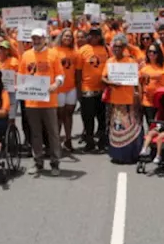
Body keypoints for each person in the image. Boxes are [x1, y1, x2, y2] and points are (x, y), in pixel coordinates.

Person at [21, 28, 66, 172]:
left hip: (49, 101)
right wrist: (18, 86)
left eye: (39, 38)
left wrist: (56, 84)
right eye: (34, 38)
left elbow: (60, 75)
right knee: (35, 133)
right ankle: (38, 162)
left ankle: (55, 163)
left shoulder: (53, 54)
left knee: (52, 133)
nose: (36, 41)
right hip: (31, 102)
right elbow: (22, 75)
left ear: (44, 39)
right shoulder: (26, 55)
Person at [102, 33, 143, 165]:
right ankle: (117, 155)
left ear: (124, 47)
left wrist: (138, 96)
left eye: (120, 47)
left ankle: (131, 155)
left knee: (131, 127)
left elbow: (136, 81)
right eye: (115, 47)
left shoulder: (131, 62)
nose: (117, 49)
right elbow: (103, 77)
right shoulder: (109, 61)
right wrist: (110, 82)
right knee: (117, 128)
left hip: (129, 100)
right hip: (115, 101)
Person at [77, 27, 110, 152]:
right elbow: (78, 71)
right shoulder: (82, 50)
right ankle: (89, 142)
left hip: (102, 89)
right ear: (88, 36)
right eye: (92, 35)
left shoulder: (106, 49)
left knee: (102, 118)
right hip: (87, 89)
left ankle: (102, 142)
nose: (94, 38)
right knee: (88, 118)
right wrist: (79, 89)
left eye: (97, 35)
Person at [53, 29, 81, 152]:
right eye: (66, 36)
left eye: (70, 36)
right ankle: (56, 141)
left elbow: (78, 71)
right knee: (59, 115)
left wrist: (78, 87)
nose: (68, 38)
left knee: (69, 114)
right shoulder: (54, 51)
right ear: (61, 37)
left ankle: (68, 140)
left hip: (71, 87)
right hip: (59, 88)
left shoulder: (75, 52)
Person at [138, 43, 164, 126]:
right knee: (151, 125)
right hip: (147, 102)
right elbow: (139, 84)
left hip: (161, 101)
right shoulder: (143, 67)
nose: (151, 54)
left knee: (160, 125)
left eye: (154, 52)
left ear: (158, 53)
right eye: (149, 51)